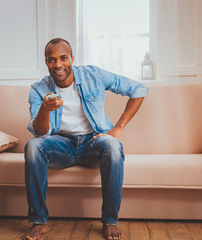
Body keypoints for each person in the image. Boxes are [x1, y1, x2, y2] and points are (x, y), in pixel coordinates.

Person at [22, 38, 148, 240]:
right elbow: (39, 132)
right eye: (52, 60)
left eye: (63, 58)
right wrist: (45, 109)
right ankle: (39, 222)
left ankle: (110, 222)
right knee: (33, 146)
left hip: (93, 142)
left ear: (72, 58)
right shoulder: (38, 89)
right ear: (46, 62)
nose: (58, 65)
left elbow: (139, 89)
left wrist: (118, 128)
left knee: (113, 145)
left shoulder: (93, 75)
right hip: (60, 145)